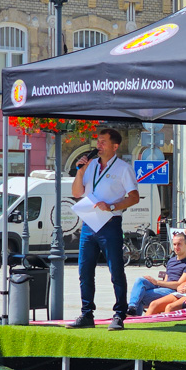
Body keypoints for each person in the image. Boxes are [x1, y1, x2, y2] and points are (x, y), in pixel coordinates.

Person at [67, 128, 140, 331]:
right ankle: (86, 313)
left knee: (116, 270)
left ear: (114, 146)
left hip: (110, 223)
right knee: (84, 270)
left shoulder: (123, 168)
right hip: (89, 224)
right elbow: (76, 192)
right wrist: (81, 169)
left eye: (102, 142)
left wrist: (112, 206)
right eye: (97, 141)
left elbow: (134, 197)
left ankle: (119, 315)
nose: (98, 145)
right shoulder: (90, 167)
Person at [127, 232, 186, 316]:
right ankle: (132, 308)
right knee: (140, 280)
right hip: (163, 288)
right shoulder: (171, 261)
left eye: (179, 244)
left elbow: (179, 284)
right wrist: (158, 284)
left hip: (173, 291)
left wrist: (157, 282)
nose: (176, 247)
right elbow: (166, 279)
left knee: (140, 296)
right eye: (174, 244)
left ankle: (135, 317)